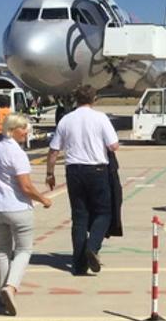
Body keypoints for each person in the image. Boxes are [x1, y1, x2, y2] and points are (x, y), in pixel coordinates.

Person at [0, 113, 52, 316]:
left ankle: (3, 295)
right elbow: (26, 187)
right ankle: (10, 287)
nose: (27, 132)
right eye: (24, 128)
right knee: (24, 250)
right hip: (17, 208)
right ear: (12, 130)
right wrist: (43, 199)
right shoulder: (17, 153)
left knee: (2, 251)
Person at [45, 85, 120, 276]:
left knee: (79, 217)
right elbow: (114, 145)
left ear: (76, 99)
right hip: (96, 169)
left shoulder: (65, 120)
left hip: (74, 171)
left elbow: (54, 150)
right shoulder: (100, 118)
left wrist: (50, 173)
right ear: (93, 99)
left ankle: (79, 265)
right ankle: (92, 247)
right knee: (104, 213)